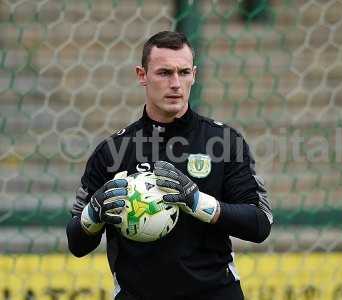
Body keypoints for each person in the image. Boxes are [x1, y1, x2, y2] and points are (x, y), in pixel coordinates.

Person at [66, 31, 273, 300]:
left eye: (184, 72)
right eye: (164, 73)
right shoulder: (112, 151)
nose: (176, 83)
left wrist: (199, 203)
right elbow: (77, 243)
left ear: (194, 75)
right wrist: (93, 213)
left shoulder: (224, 142)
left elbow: (260, 224)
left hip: (214, 293)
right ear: (142, 75)